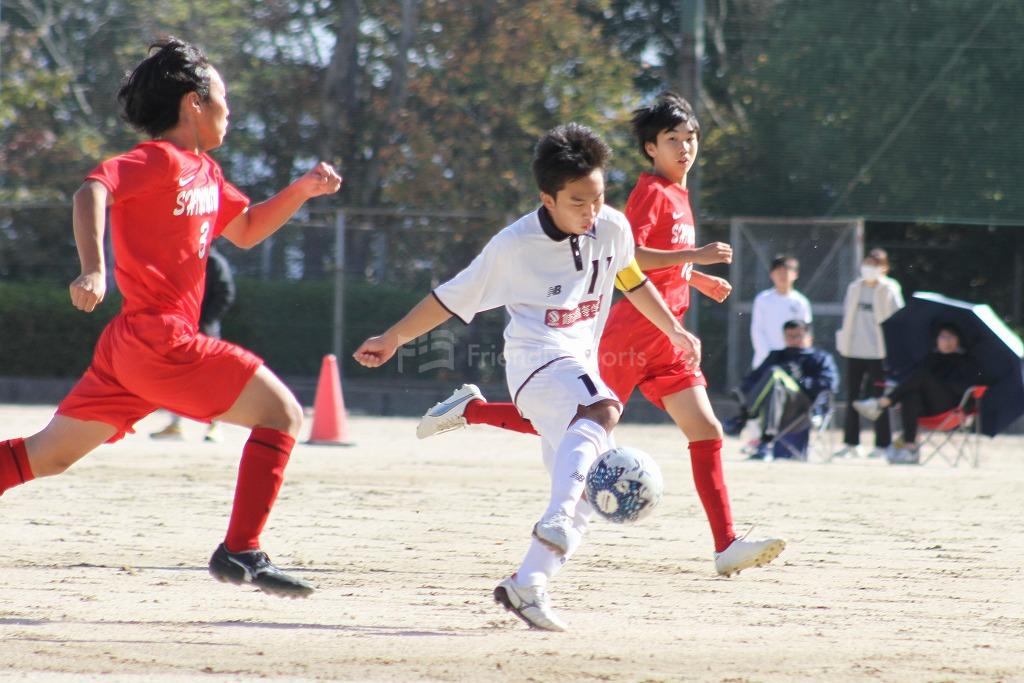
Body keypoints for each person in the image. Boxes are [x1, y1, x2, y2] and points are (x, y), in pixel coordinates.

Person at [0, 39, 342, 597]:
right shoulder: (160, 159)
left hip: (132, 349)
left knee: (48, 455)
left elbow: (249, 229)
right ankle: (241, 550)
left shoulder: (206, 173)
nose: (230, 112)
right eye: (223, 99)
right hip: (159, 339)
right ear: (194, 103)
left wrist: (302, 190)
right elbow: (93, 188)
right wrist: (93, 269)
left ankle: (241, 550)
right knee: (281, 414)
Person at [416, 93, 785, 581]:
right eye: (672, 140)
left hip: (666, 341)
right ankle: (473, 411)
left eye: (690, 138)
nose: (684, 147)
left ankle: (726, 543)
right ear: (650, 148)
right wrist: (694, 258)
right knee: (578, 426)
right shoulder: (651, 192)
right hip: (629, 334)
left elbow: (645, 259)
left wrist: (694, 277)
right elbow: (629, 261)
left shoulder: (681, 193)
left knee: (706, 431)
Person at [355, 123, 705, 632]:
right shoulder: (513, 246)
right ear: (548, 198)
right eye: (578, 202)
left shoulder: (612, 227)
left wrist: (674, 329)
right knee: (603, 410)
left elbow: (630, 278)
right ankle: (556, 517)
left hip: (578, 361)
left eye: (599, 197)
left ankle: (528, 584)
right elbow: (448, 299)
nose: (593, 211)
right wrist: (392, 339)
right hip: (534, 361)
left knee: (591, 484)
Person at [853, 323, 983, 465]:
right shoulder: (930, 358)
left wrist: (940, 384)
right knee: (911, 396)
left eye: (951, 337)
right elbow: (911, 380)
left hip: (951, 408)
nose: (947, 341)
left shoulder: (965, 361)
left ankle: (882, 403)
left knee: (923, 377)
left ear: (958, 340)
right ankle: (910, 448)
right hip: (926, 408)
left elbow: (967, 388)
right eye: (943, 337)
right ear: (937, 339)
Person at [151, 244, 235, 442]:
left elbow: (226, 294)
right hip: (181, 331)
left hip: (205, 332)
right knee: (177, 378)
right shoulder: (183, 262)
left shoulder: (214, 262)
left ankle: (215, 426)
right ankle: (175, 425)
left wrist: (205, 321)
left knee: (210, 380)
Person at [724, 320, 839, 461]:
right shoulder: (777, 355)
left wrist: (801, 379)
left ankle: (744, 416)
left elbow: (830, 385)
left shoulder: (820, 358)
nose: (793, 340)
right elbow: (753, 378)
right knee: (775, 384)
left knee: (774, 373)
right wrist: (743, 390)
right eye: (789, 336)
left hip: (804, 405)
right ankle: (764, 442)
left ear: (810, 337)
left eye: (798, 336)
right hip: (775, 403)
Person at [834, 247, 904, 458]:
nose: (869, 268)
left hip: (880, 353)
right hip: (854, 349)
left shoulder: (889, 288)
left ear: (884, 268)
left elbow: (897, 318)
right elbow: (848, 315)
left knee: (879, 398)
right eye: (867, 264)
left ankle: (882, 445)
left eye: (875, 265)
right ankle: (851, 443)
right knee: (852, 397)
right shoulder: (855, 287)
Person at [750, 255, 812, 368]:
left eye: (787, 271)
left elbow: (804, 333)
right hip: (764, 362)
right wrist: (768, 356)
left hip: (792, 363)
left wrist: (793, 356)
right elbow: (757, 330)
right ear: (771, 275)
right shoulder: (762, 299)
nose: (783, 275)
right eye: (779, 271)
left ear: (795, 274)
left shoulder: (801, 302)